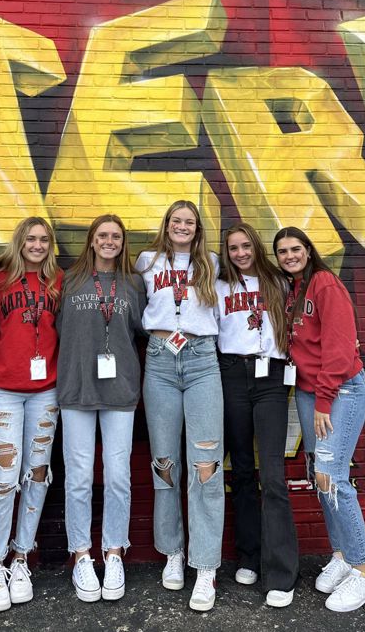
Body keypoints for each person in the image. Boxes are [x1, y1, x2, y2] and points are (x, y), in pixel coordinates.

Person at [274, 226, 365, 612]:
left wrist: (324, 400)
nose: (289, 255)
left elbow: (338, 346)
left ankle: (364, 571)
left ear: (308, 250)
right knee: (320, 479)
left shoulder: (324, 284)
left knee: (333, 478)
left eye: (295, 248)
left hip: (340, 390)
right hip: (309, 390)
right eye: (282, 251)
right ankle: (342, 556)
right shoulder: (295, 289)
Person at [137, 200, 223, 612]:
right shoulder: (147, 261)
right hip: (159, 360)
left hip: (202, 359)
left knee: (206, 463)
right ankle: (173, 551)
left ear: (197, 227)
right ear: (167, 224)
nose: (182, 226)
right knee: (165, 461)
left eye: (189, 222)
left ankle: (205, 566)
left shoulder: (212, 263)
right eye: (176, 220)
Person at [56, 214, 146, 603]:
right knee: (78, 477)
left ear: (123, 243)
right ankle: (81, 554)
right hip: (76, 389)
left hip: (120, 390)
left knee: (118, 476)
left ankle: (113, 552)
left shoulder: (133, 283)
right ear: (91, 240)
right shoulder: (69, 280)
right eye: (103, 235)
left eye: (116, 236)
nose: (109, 241)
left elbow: (142, 329)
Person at [216, 223, 299, 608]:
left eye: (246, 245)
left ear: (256, 246)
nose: (240, 253)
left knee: (273, 475)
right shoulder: (218, 286)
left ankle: (281, 572)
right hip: (232, 373)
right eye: (233, 248)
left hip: (272, 378)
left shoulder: (279, 282)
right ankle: (249, 556)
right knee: (242, 471)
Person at [0, 217, 63, 612]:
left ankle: (20, 558)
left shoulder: (58, 281)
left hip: (45, 391)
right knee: (3, 478)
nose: (37, 245)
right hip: (3, 393)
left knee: (37, 474)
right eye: (30, 239)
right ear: (19, 242)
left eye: (44, 239)